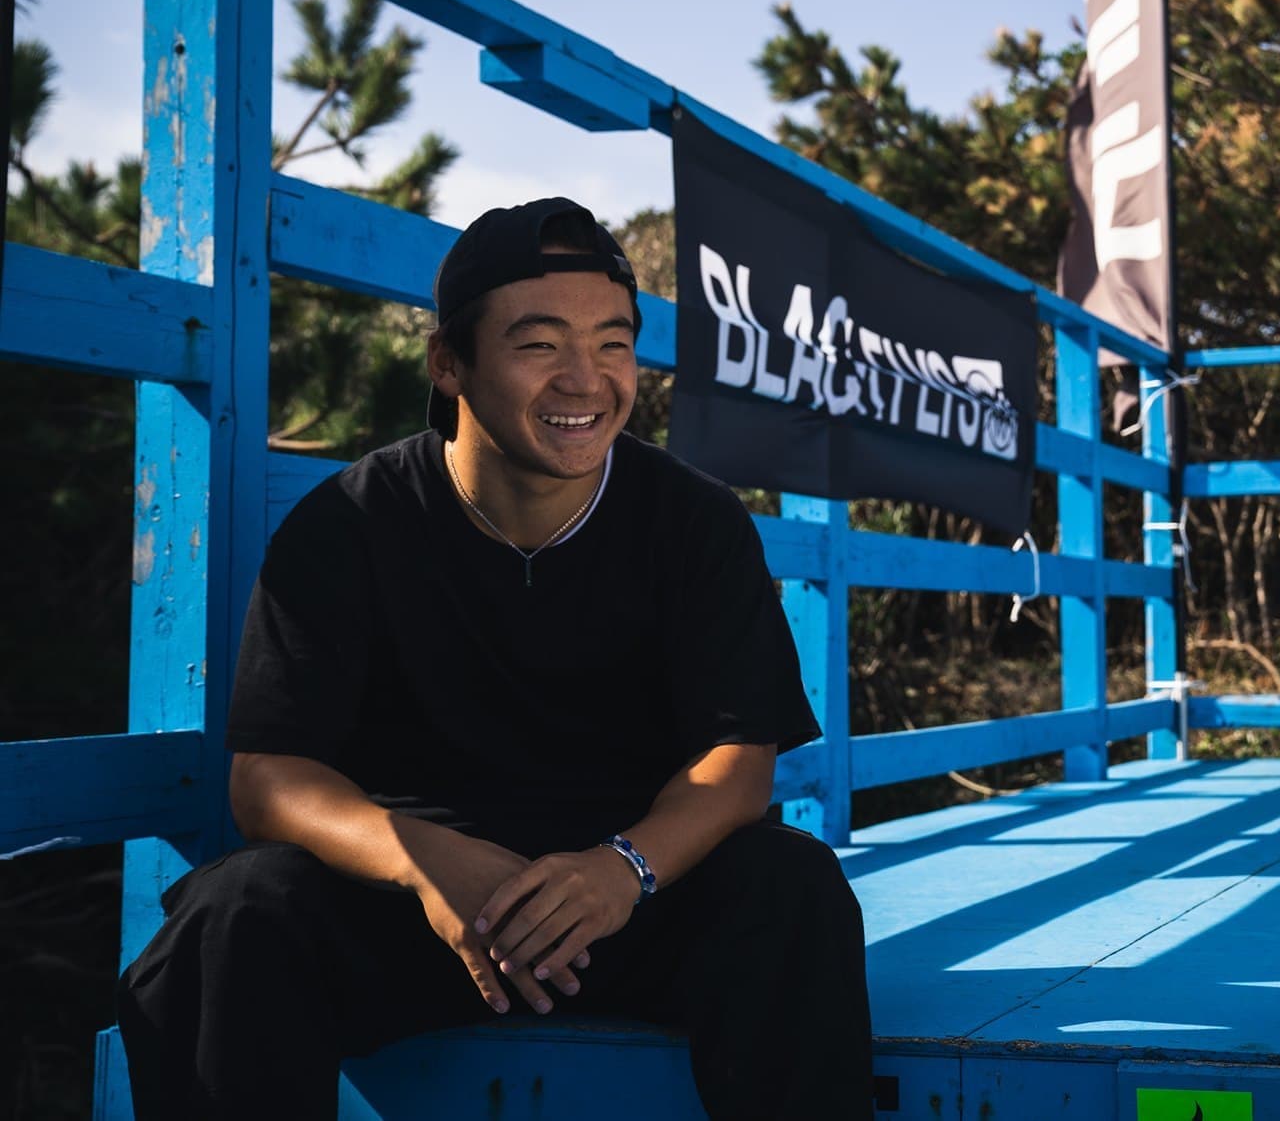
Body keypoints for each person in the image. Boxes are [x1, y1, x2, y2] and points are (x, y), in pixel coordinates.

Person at [115, 198, 873, 1119]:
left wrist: (622, 868)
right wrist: (423, 858)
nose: (585, 380)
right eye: (540, 344)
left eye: (614, 343)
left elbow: (739, 759)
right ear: (448, 362)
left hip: (627, 899)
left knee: (792, 887)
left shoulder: (695, 521)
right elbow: (268, 777)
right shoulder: (350, 522)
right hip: (419, 911)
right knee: (231, 917)